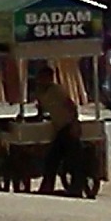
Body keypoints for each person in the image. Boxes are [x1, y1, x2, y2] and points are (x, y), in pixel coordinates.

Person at [34, 65, 84, 196]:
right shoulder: (40, 91)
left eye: (44, 77)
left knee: (72, 159)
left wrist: (75, 123)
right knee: (52, 159)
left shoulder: (57, 90)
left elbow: (71, 106)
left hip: (68, 126)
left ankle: (77, 187)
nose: (40, 80)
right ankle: (47, 186)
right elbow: (41, 108)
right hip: (59, 128)